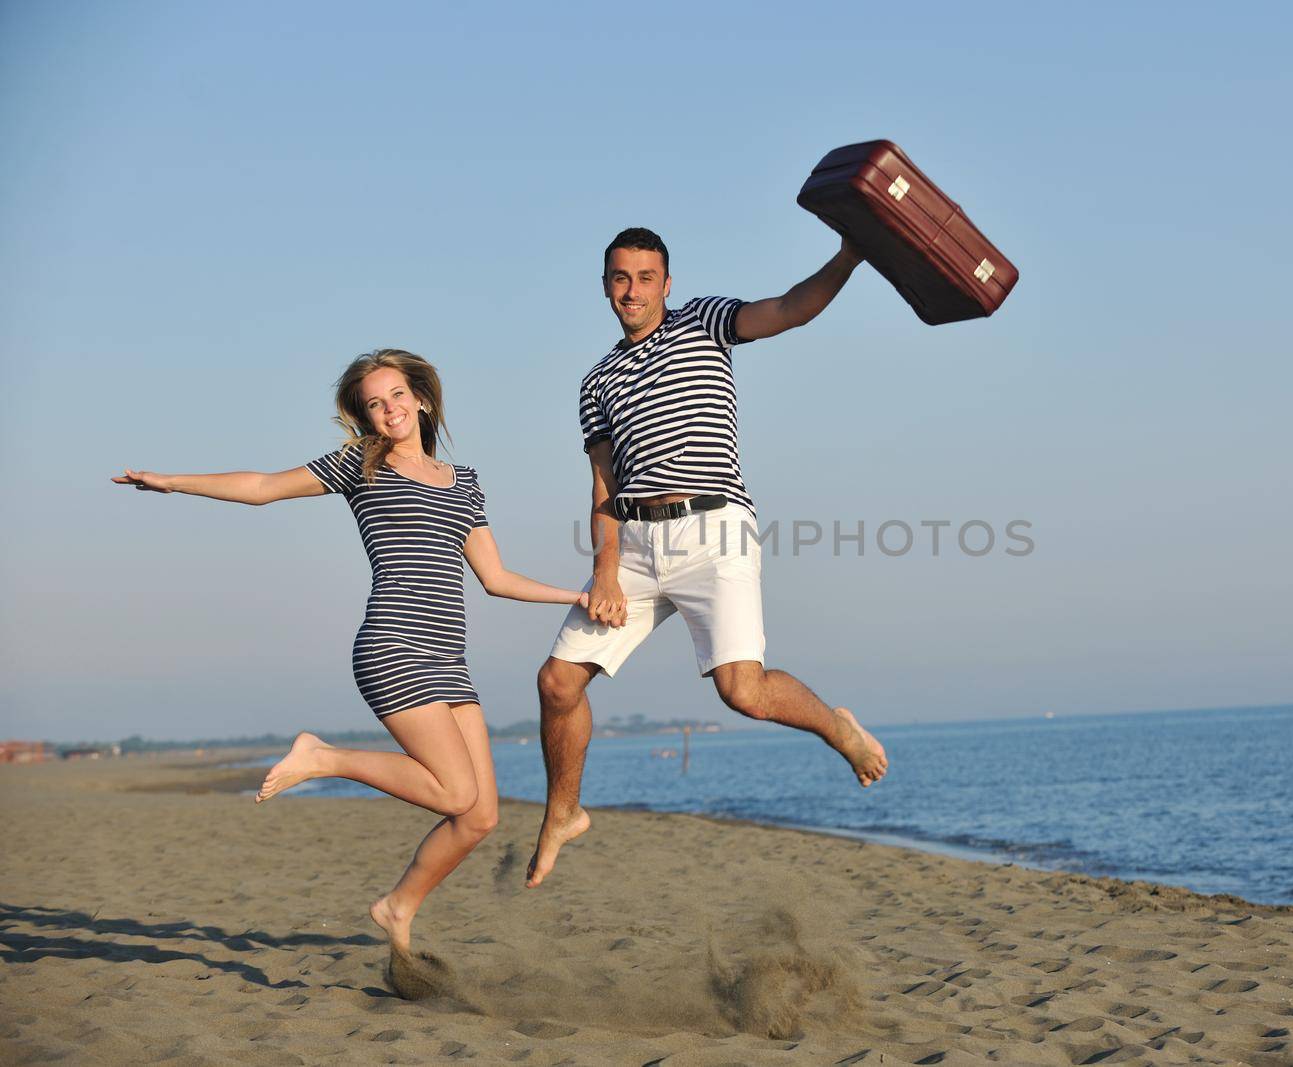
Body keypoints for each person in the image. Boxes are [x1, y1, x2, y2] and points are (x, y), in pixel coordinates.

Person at [114, 349, 585, 952]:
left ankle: (397, 908)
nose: (388, 410)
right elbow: (262, 487)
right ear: (365, 417)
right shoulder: (359, 463)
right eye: (374, 403)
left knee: (479, 817)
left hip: (448, 660)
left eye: (396, 396)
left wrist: (575, 594)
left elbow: (495, 578)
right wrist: (172, 481)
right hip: (394, 644)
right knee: (454, 793)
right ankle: (325, 758)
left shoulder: (464, 481)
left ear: (421, 399)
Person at [525, 228, 890, 889]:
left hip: (714, 527)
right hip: (634, 544)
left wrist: (851, 254)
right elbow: (603, 489)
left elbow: (791, 308)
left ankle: (835, 725)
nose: (631, 289)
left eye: (644, 276)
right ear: (604, 285)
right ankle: (563, 809)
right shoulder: (596, 381)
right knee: (556, 682)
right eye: (619, 277)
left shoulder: (705, 321)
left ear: (667, 283)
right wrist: (605, 569)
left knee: (741, 691)